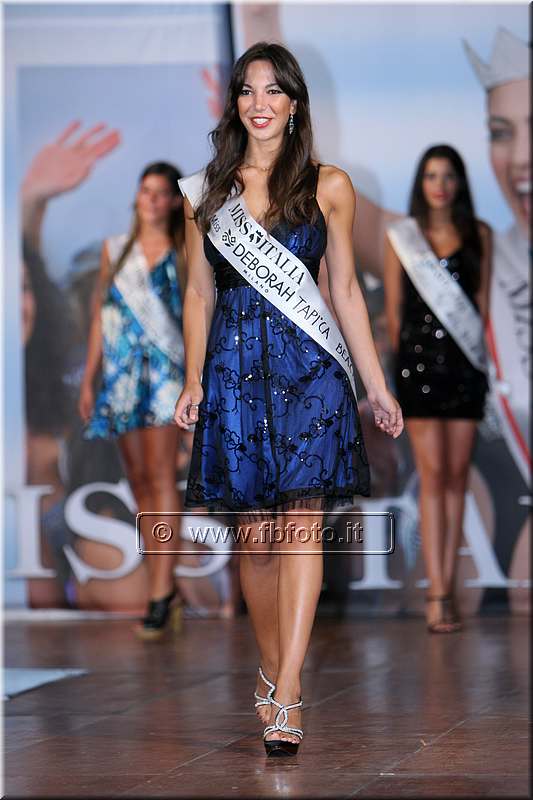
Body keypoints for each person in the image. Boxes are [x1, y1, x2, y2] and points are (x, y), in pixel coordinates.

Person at [174, 42, 402, 756]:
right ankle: (271, 669)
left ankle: (290, 691)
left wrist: (375, 385)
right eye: (247, 90)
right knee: (258, 537)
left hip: (311, 376)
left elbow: (345, 292)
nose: (260, 103)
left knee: (302, 526)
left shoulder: (328, 185)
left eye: (273, 90)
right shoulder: (205, 192)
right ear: (235, 104)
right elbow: (197, 294)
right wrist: (192, 377)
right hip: (235, 374)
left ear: (294, 102)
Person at [384, 144, 492, 633]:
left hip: (465, 370)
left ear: (459, 183)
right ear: (420, 183)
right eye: (431, 175)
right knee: (432, 478)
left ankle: (447, 585)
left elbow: (481, 307)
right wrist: (402, 369)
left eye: (448, 176)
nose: (440, 185)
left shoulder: (479, 235)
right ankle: (436, 594)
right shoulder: (402, 238)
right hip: (420, 372)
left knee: (456, 477)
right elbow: (393, 313)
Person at [80, 161, 187, 639]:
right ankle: (162, 584)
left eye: (161, 192)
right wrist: (89, 379)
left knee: (162, 477)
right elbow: (100, 318)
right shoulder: (114, 250)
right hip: (122, 378)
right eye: (146, 190)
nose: (152, 200)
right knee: (140, 481)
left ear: (175, 201)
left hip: (164, 375)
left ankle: (161, 591)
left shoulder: (183, 253)